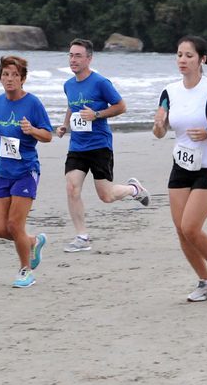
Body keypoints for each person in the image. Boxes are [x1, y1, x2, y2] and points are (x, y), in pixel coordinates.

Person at [152, 36, 207, 302]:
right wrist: (159, 125)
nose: (182, 60)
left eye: (188, 55)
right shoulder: (169, 91)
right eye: (179, 55)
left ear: (202, 59)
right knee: (181, 229)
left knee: (191, 227)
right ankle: (203, 280)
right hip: (181, 164)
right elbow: (161, 131)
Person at [56, 38, 149, 252]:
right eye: (71, 55)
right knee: (72, 188)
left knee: (106, 196)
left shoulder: (100, 83)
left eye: (78, 55)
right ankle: (82, 236)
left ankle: (133, 189)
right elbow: (73, 106)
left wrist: (96, 114)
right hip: (77, 146)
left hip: (100, 145)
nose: (73, 59)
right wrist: (64, 125)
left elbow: (121, 106)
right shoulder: (68, 84)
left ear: (89, 58)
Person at [0, 56, 52, 287]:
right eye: (5, 74)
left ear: (23, 79)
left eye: (15, 75)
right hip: (2, 172)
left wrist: (32, 130)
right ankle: (33, 242)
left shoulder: (33, 103)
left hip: (26, 170)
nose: (10, 79)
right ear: (0, 77)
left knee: (15, 225)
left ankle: (25, 270)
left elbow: (47, 135)